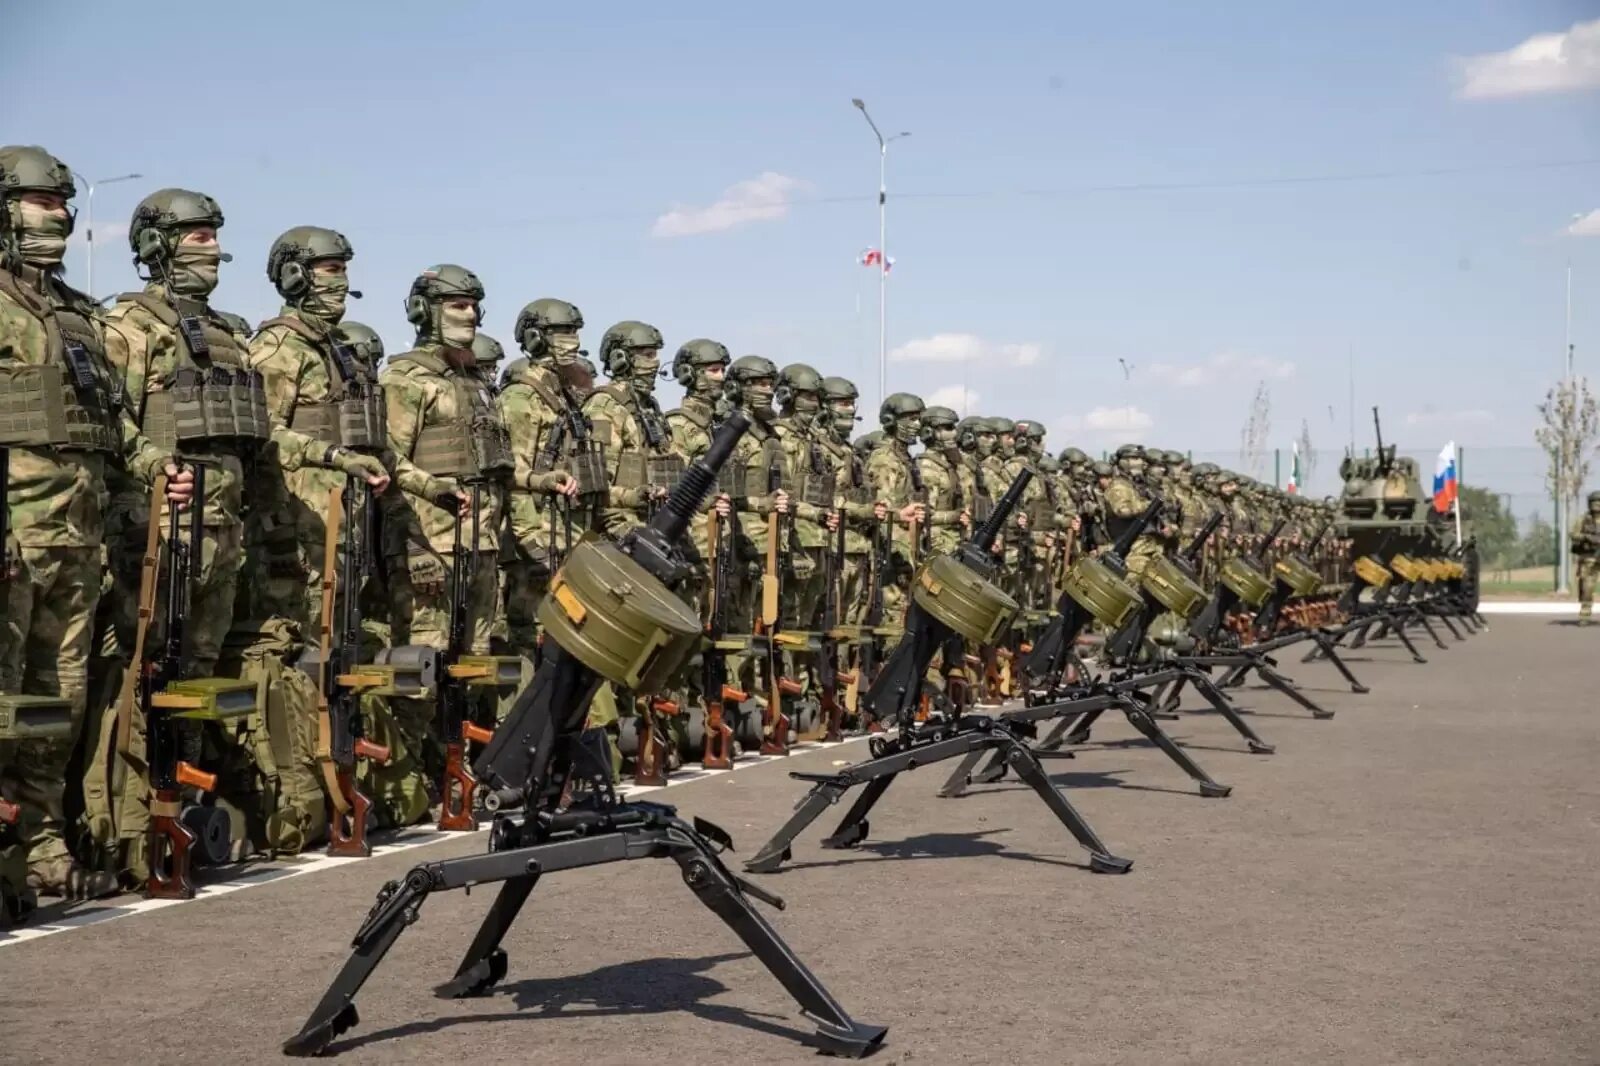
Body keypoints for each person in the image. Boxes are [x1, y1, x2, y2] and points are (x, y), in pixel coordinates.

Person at [0, 147, 192, 911]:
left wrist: (154, 466)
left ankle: (43, 839)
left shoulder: (78, 316)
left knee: (61, 694)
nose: (58, 215)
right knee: (6, 694)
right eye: (40, 202)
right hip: (14, 537)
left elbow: (111, 421)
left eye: (61, 203)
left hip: (75, 541)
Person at [1572, 491, 1600, 625]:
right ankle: (1585, 614)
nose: (1597, 505)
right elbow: (1574, 534)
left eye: (1599, 502)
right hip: (1589, 557)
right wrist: (1586, 537)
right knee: (1587, 587)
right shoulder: (1583, 519)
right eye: (1594, 502)